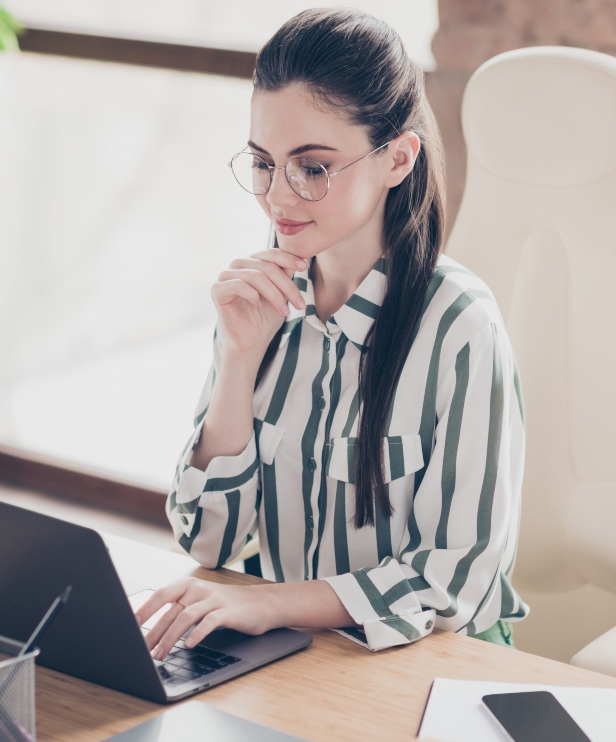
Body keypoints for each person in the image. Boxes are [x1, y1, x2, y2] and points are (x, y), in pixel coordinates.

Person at [136, 8, 527, 657]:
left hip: (426, 664)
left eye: (312, 168)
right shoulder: (261, 305)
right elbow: (206, 540)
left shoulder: (461, 328)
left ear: (397, 159)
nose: (278, 198)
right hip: (293, 657)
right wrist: (238, 357)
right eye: (264, 163)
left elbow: (456, 578)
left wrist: (273, 601)